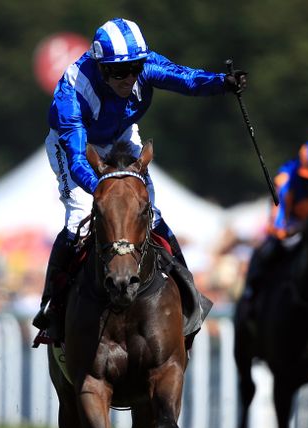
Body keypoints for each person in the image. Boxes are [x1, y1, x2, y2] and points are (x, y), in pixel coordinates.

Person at [33, 17, 248, 331]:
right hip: (78, 146)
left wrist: (222, 83)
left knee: (150, 213)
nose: (129, 78)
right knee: (77, 218)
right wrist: (106, 190)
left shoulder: (143, 66)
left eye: (134, 68)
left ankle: (189, 295)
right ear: (101, 67)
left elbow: (185, 79)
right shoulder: (72, 92)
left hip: (121, 137)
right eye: (119, 72)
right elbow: (79, 159)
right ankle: (52, 303)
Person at [237, 137, 308, 320]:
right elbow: (278, 223)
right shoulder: (286, 178)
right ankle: (250, 303)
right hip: (293, 234)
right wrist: (303, 229)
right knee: (262, 254)